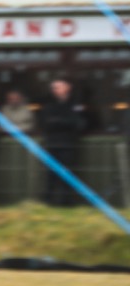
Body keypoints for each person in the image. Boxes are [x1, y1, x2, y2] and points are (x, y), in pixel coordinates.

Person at [37, 78, 88, 207]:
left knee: (68, 174)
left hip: (69, 145)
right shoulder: (49, 104)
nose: (55, 90)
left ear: (67, 87)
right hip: (52, 144)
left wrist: (59, 122)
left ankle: (66, 202)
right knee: (51, 175)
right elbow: (46, 123)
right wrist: (66, 122)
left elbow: (80, 124)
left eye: (58, 87)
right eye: (53, 87)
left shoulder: (75, 104)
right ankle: (48, 202)